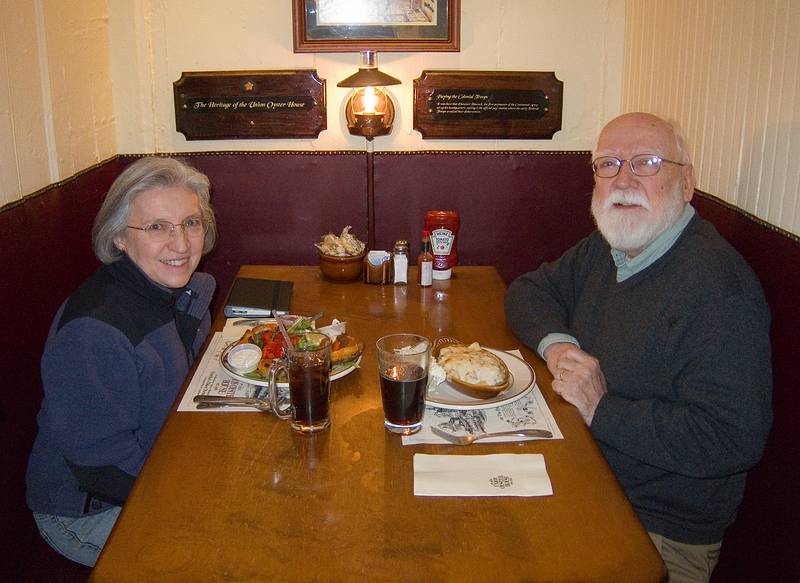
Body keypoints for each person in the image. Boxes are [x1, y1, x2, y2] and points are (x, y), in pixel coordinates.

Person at [505, 113, 772, 583]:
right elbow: (529, 290)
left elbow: (732, 439)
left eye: (646, 163)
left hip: (656, 532)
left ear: (687, 183)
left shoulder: (718, 289)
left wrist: (601, 408)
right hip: (587, 476)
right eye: (607, 163)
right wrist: (558, 346)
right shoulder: (610, 248)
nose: (622, 180)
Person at [26, 157, 218, 566]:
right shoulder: (96, 331)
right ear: (119, 238)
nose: (181, 244)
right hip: (86, 509)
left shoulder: (168, 293)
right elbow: (103, 468)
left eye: (191, 223)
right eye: (156, 227)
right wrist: (196, 495)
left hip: (151, 462)